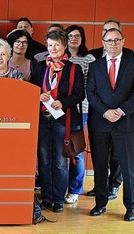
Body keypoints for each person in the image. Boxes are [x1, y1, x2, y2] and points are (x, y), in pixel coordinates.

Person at [31, 29, 84, 214]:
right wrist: (39, 95)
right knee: (44, 161)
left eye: (57, 45)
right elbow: (32, 90)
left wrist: (64, 101)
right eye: (50, 45)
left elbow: (80, 94)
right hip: (44, 119)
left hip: (64, 120)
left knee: (61, 162)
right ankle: (46, 197)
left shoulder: (74, 68)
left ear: (64, 46)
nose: (53, 48)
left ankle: (58, 198)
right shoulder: (40, 67)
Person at [87, 27, 134, 221]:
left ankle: (131, 207)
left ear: (123, 41)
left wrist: (121, 110)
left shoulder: (132, 63)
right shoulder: (96, 65)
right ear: (103, 43)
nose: (112, 44)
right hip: (100, 122)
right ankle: (100, 203)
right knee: (99, 165)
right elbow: (91, 92)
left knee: (128, 167)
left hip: (126, 122)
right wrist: (105, 111)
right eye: (109, 40)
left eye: (116, 40)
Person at [64, 25, 95, 204]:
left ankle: (75, 189)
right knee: (60, 151)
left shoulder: (89, 59)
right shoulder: (59, 57)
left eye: (77, 36)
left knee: (76, 149)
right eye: (70, 36)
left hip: (80, 109)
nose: (73, 39)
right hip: (58, 109)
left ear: (82, 39)